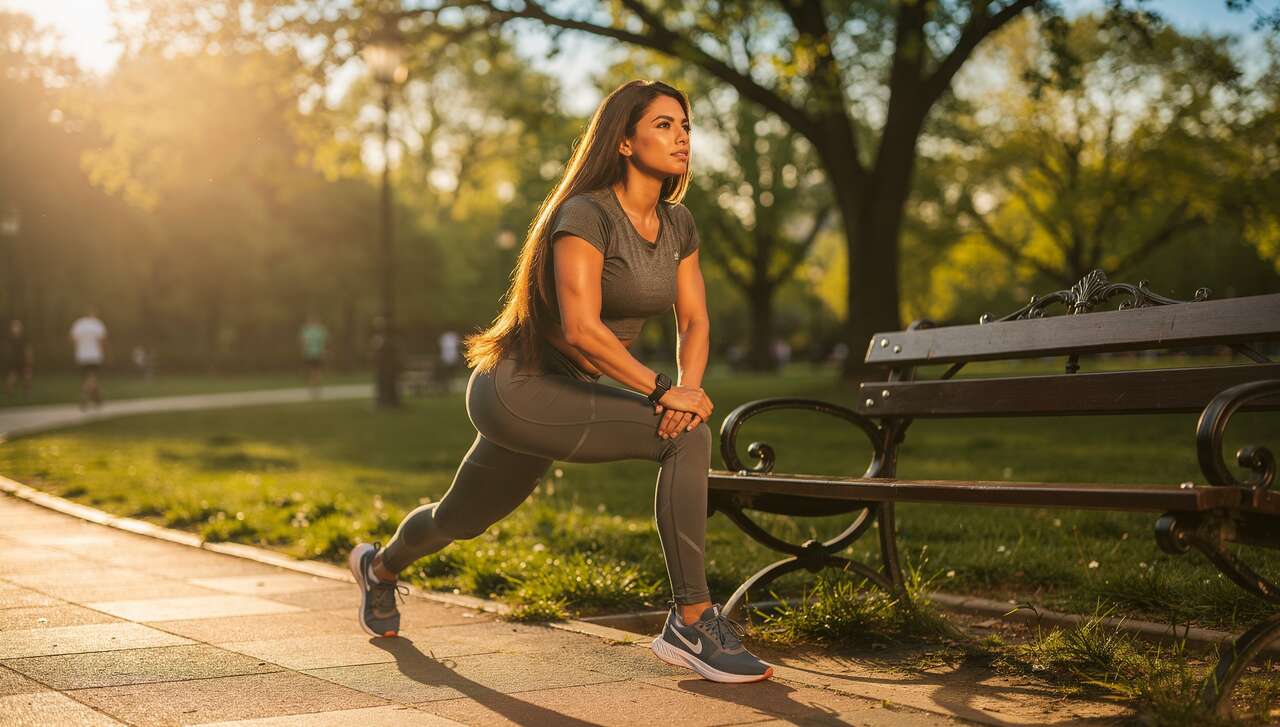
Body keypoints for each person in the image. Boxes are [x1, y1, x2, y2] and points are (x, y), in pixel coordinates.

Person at [348, 80, 772, 683]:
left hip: (571, 396)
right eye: (663, 125)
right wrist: (661, 392)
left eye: (684, 125)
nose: (681, 137)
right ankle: (692, 619)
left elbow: (696, 319)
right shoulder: (586, 214)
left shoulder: (678, 225)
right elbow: (580, 327)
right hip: (517, 390)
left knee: (459, 519)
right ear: (624, 141)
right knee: (687, 440)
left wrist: (688, 391)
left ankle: (380, 567)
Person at [69, 308, 107, 410]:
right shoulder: (97, 324)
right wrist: (102, 352)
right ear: (93, 313)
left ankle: (98, 398)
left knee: (87, 377)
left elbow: (73, 339)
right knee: (92, 377)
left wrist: (77, 350)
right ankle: (84, 396)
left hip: (81, 355)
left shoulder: (78, 324)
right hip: (94, 355)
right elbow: (102, 340)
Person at [299, 314, 328, 399]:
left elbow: (303, 342)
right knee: (317, 371)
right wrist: (325, 351)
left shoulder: (306, 330)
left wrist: (303, 351)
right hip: (319, 353)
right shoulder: (321, 330)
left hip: (309, 354)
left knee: (311, 371)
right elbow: (326, 342)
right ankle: (317, 390)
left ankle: (312, 390)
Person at [3, 319, 33, 400]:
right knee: (12, 377)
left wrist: (29, 358)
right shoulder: (10, 339)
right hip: (14, 361)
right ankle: (8, 393)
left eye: (17, 327)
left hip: (23, 361)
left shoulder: (24, 338)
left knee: (27, 376)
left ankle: (28, 393)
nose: (16, 329)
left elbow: (28, 349)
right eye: (15, 327)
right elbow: (7, 350)